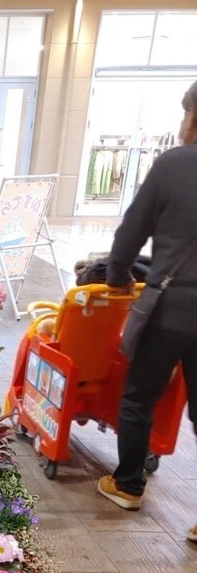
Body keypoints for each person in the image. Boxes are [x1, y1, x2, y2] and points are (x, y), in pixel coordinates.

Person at [98, 81, 197, 544]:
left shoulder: (174, 164)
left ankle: (128, 485)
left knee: (139, 396)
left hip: (171, 308)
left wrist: (118, 275)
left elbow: (131, 231)